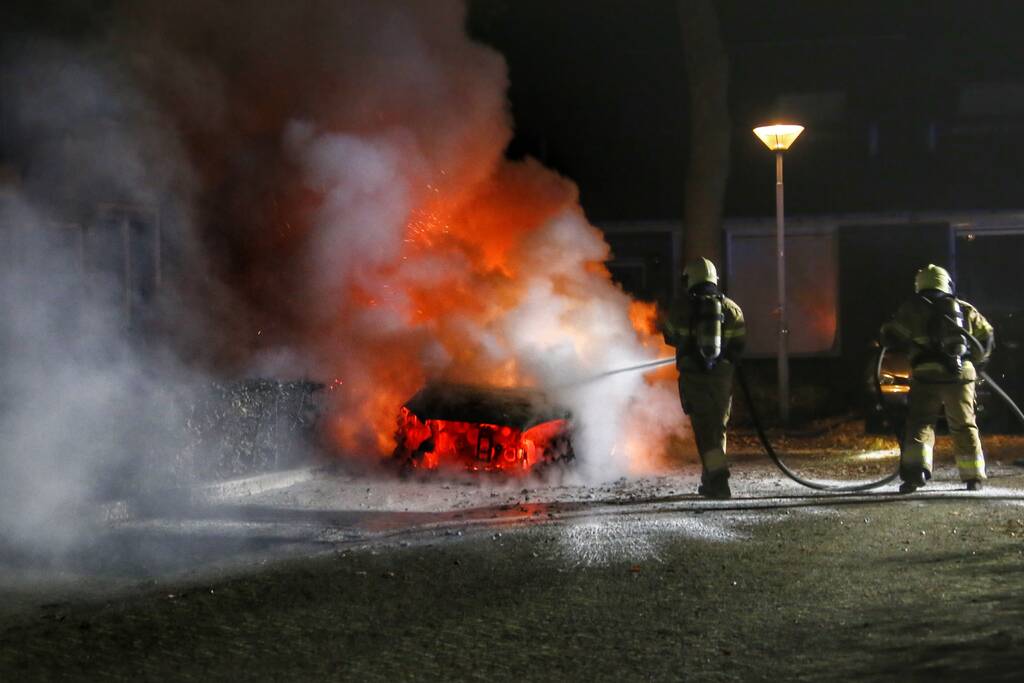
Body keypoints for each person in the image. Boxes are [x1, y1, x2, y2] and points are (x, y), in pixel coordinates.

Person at [880, 264, 994, 493]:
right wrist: (978, 361)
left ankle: (915, 473)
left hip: (926, 375)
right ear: (946, 283)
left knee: (920, 422)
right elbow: (987, 336)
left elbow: (891, 336)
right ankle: (973, 478)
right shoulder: (963, 308)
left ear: (920, 284)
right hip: (961, 375)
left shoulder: (911, 309)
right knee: (964, 424)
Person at [661, 257, 746, 499]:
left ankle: (719, 482)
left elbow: (669, 335)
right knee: (717, 429)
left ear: (691, 278)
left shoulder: (682, 308)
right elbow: (740, 344)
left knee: (705, 432)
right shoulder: (732, 308)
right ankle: (711, 480)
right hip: (722, 380)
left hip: (695, 378)